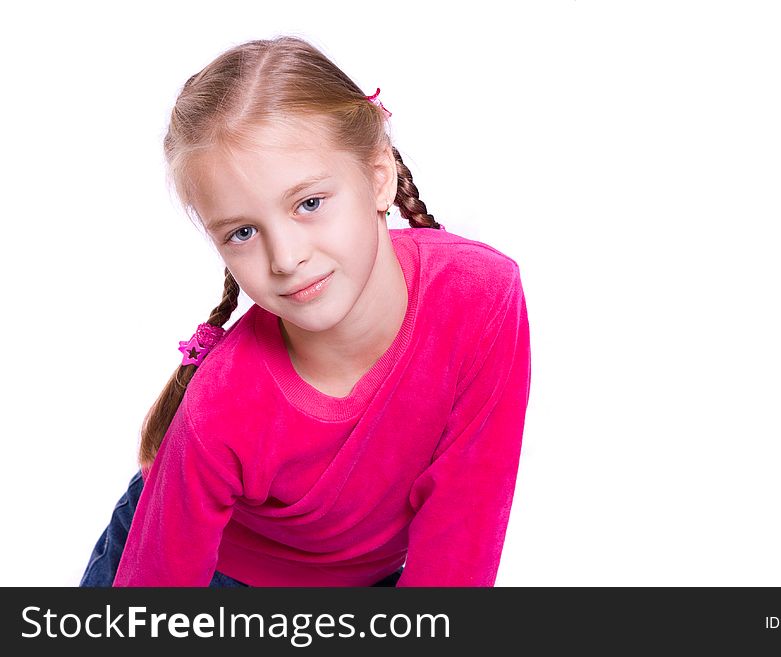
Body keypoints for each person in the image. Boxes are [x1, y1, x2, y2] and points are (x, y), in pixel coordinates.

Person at [79, 34, 531, 587]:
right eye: (243, 232)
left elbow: (462, 537)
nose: (287, 257)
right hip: (207, 568)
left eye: (309, 204)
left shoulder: (480, 297)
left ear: (378, 176)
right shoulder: (222, 404)